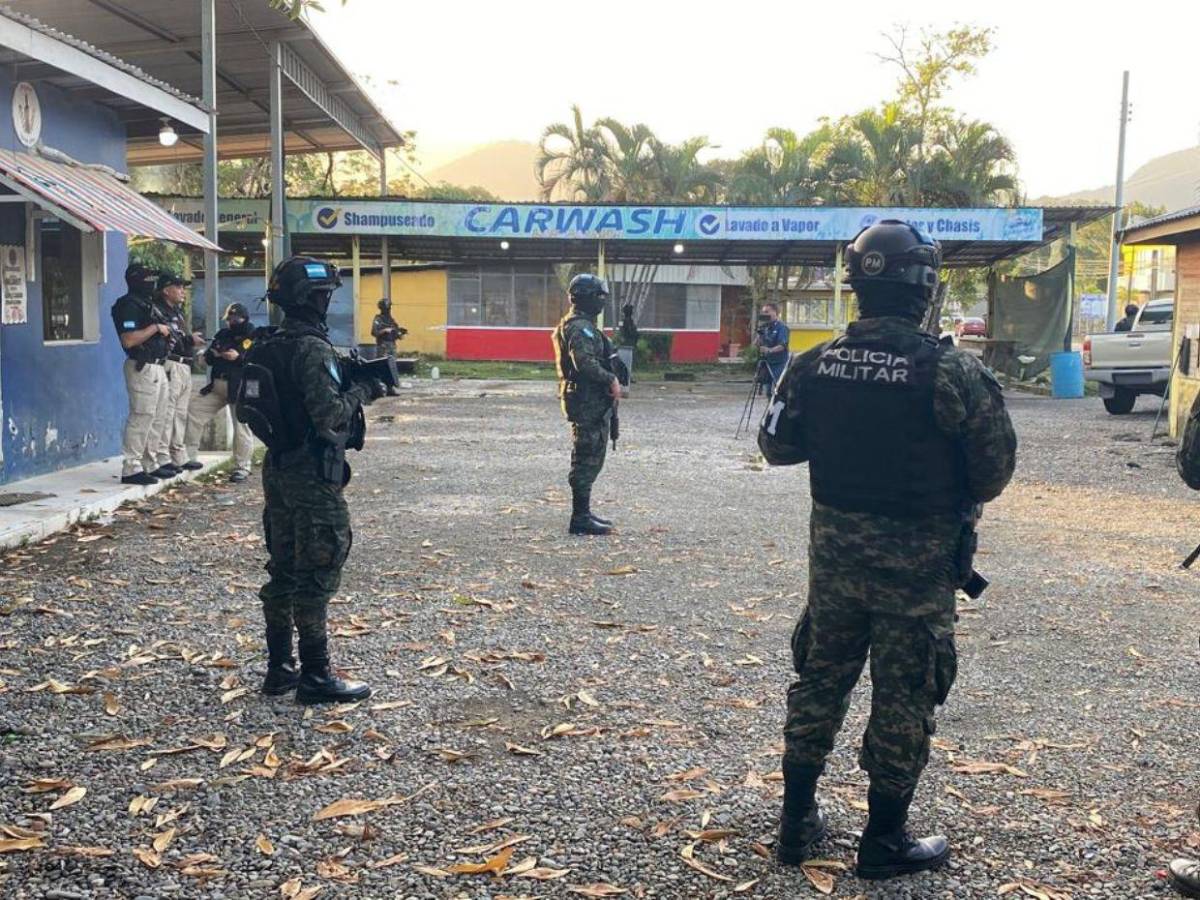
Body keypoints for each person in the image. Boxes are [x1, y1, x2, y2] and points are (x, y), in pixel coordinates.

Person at [758, 220, 1017, 880]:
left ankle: (795, 825)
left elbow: (777, 447)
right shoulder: (952, 372)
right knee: (904, 696)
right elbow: (992, 473)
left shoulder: (814, 365)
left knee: (819, 681)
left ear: (858, 286)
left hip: (836, 570)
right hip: (918, 576)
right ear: (924, 288)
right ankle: (884, 841)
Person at [243, 256, 383, 704]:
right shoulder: (311, 348)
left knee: (283, 567)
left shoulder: (270, 343)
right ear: (313, 299)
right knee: (317, 570)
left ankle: (279, 669)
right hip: (312, 471)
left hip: (278, 468)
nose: (328, 302)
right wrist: (364, 389)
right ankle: (317, 675)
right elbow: (329, 415)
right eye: (325, 295)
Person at [552, 273, 621, 536]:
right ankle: (579, 518)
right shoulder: (579, 328)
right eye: (598, 296)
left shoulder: (583, 325)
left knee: (592, 456)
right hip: (586, 401)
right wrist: (610, 379)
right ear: (586, 298)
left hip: (590, 401)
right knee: (586, 457)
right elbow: (584, 363)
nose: (602, 301)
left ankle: (584, 512)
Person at [111, 263, 172, 486]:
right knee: (142, 415)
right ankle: (131, 467)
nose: (152, 284)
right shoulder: (128, 305)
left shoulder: (146, 303)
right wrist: (155, 328)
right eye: (147, 279)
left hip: (157, 366)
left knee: (158, 416)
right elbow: (128, 339)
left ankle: (149, 462)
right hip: (142, 365)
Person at [182, 302, 256, 482]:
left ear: (244, 318)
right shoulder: (223, 334)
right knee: (193, 411)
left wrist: (238, 356)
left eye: (235, 319)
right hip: (217, 386)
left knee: (241, 426)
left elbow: (255, 358)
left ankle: (242, 467)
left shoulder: (253, 335)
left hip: (240, 387)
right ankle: (188, 457)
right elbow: (208, 357)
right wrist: (213, 354)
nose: (231, 322)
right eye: (229, 319)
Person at [154, 272, 203, 477]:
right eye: (178, 287)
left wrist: (191, 340)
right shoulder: (159, 311)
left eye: (183, 287)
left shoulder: (178, 311)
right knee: (168, 413)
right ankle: (162, 456)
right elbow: (171, 339)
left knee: (180, 413)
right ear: (166, 290)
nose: (183, 291)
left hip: (185, 365)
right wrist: (190, 340)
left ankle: (178, 454)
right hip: (172, 364)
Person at [370, 298, 406, 396]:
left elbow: (396, 332)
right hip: (383, 346)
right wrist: (384, 330)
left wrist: (400, 333)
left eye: (389, 307)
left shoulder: (391, 320)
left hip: (391, 346)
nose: (389, 309)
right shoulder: (378, 319)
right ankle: (380, 388)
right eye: (387, 307)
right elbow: (374, 332)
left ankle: (390, 387)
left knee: (392, 367)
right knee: (382, 367)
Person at [754, 302, 790, 390]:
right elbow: (756, 344)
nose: (764, 314)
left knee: (778, 389)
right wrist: (759, 335)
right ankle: (769, 399)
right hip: (767, 362)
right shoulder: (765, 327)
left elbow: (782, 345)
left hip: (779, 363)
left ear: (775, 312)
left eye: (767, 312)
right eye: (763, 312)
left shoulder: (782, 327)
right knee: (768, 390)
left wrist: (769, 350)